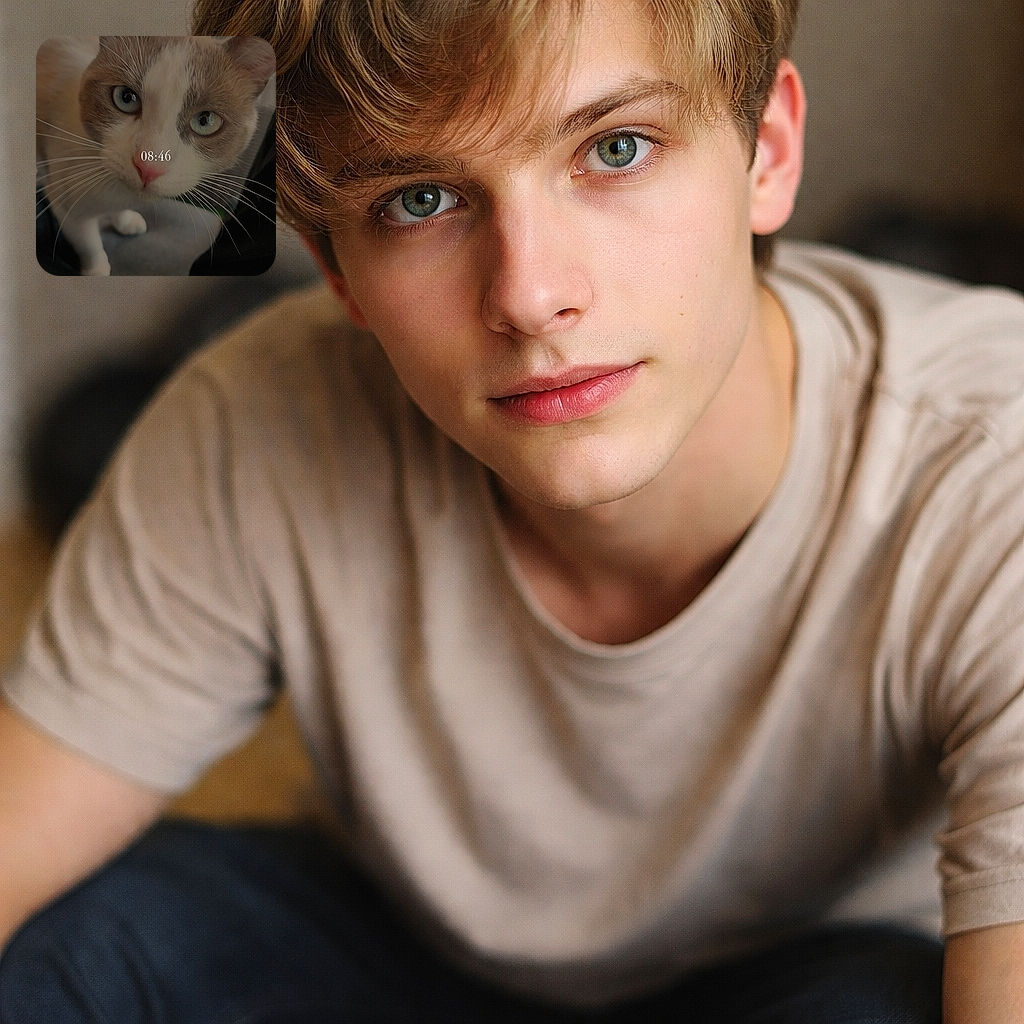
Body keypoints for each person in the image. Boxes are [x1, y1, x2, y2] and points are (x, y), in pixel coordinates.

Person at [1, 0, 1023, 1020]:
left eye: (615, 149)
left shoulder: (991, 455)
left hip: (803, 972)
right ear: (339, 276)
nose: (530, 295)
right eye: (418, 199)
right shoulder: (253, 420)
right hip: (407, 955)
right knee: (87, 942)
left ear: (768, 154)